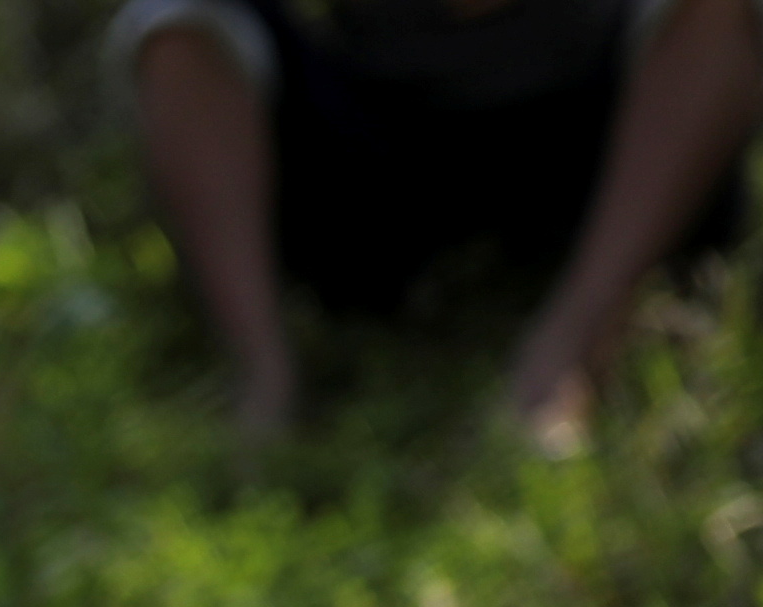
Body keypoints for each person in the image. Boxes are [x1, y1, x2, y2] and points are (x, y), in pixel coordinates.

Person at [115, 0, 763, 442]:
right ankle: (262, 373)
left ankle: (575, 341)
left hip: (585, 126)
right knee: (175, 13)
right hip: (375, 143)